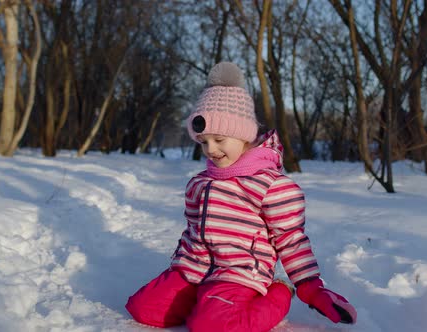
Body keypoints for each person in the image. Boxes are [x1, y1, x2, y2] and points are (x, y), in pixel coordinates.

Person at [126, 62, 356, 332]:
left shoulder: (271, 185)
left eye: (219, 140)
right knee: (143, 308)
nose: (210, 149)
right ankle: (205, 300)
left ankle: (280, 293)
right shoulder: (200, 183)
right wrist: (183, 263)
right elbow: (192, 229)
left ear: (243, 134)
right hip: (195, 270)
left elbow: (291, 240)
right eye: (203, 141)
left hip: (240, 273)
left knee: (209, 328)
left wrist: (310, 287)